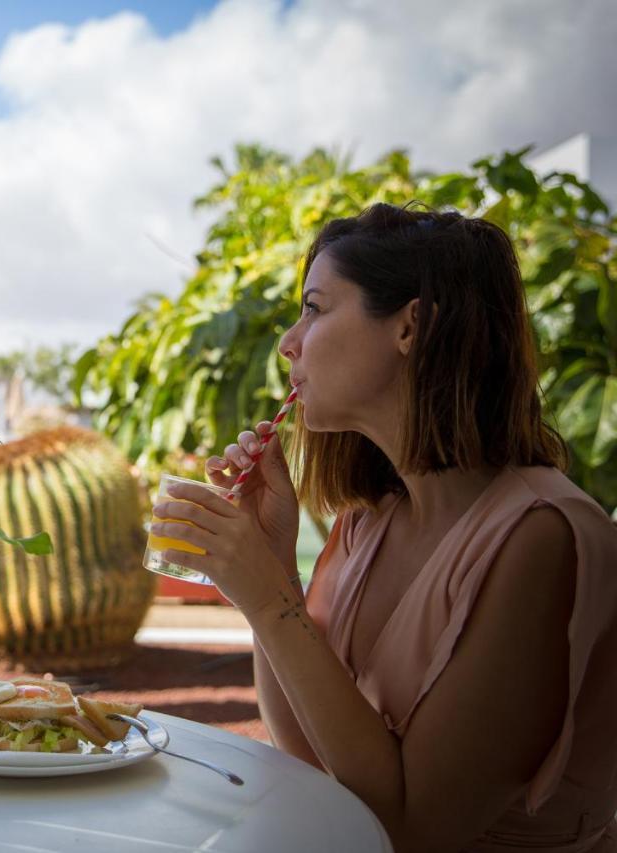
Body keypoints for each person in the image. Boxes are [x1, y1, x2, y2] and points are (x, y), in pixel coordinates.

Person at [151, 203, 617, 853]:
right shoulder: (366, 522)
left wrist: (265, 594)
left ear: (409, 325)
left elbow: (412, 825)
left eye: (314, 308)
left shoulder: (542, 538)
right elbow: (311, 753)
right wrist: (276, 567)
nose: (289, 341)